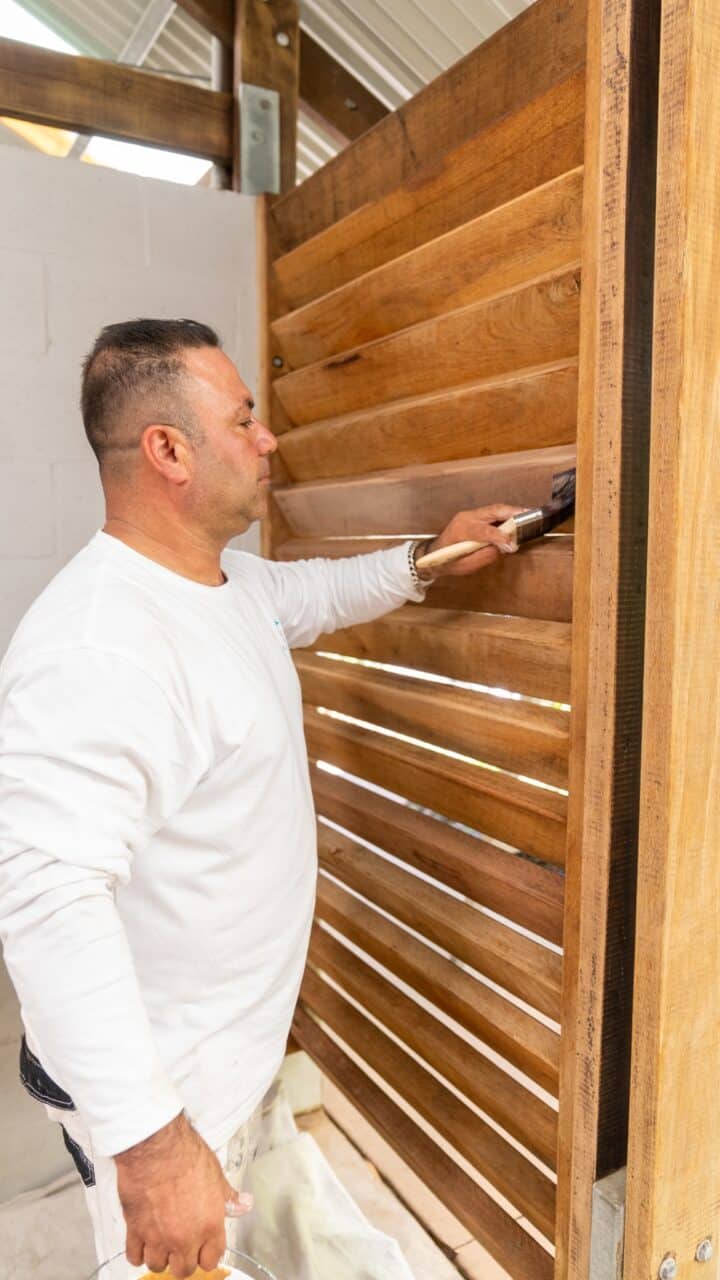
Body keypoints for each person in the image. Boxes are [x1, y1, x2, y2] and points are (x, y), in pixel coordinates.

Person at [0, 319, 520, 1279]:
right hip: (162, 1091)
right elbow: (46, 905)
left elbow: (311, 597)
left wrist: (427, 562)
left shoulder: (224, 583)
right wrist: (154, 1147)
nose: (267, 438)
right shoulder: (98, 643)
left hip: (226, 1056)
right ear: (169, 451)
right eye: (244, 419)